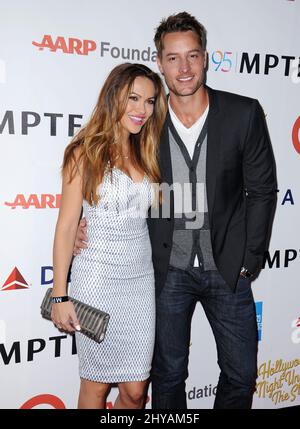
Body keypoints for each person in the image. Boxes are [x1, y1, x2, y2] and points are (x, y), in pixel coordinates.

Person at [74, 12, 277, 409]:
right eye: (172, 58)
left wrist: (249, 260)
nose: (183, 68)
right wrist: (87, 221)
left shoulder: (243, 113)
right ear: (160, 63)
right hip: (165, 272)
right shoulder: (146, 121)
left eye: (192, 56)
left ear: (205, 58)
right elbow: (105, 173)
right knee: (167, 375)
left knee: (241, 374)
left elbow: (263, 191)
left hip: (228, 269)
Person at [51, 62, 167, 409]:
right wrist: (60, 295)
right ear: (114, 96)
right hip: (97, 279)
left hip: (140, 281)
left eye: (149, 101)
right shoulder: (83, 152)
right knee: (96, 387)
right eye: (133, 98)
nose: (142, 110)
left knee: (135, 391)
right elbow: (67, 227)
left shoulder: (148, 151)